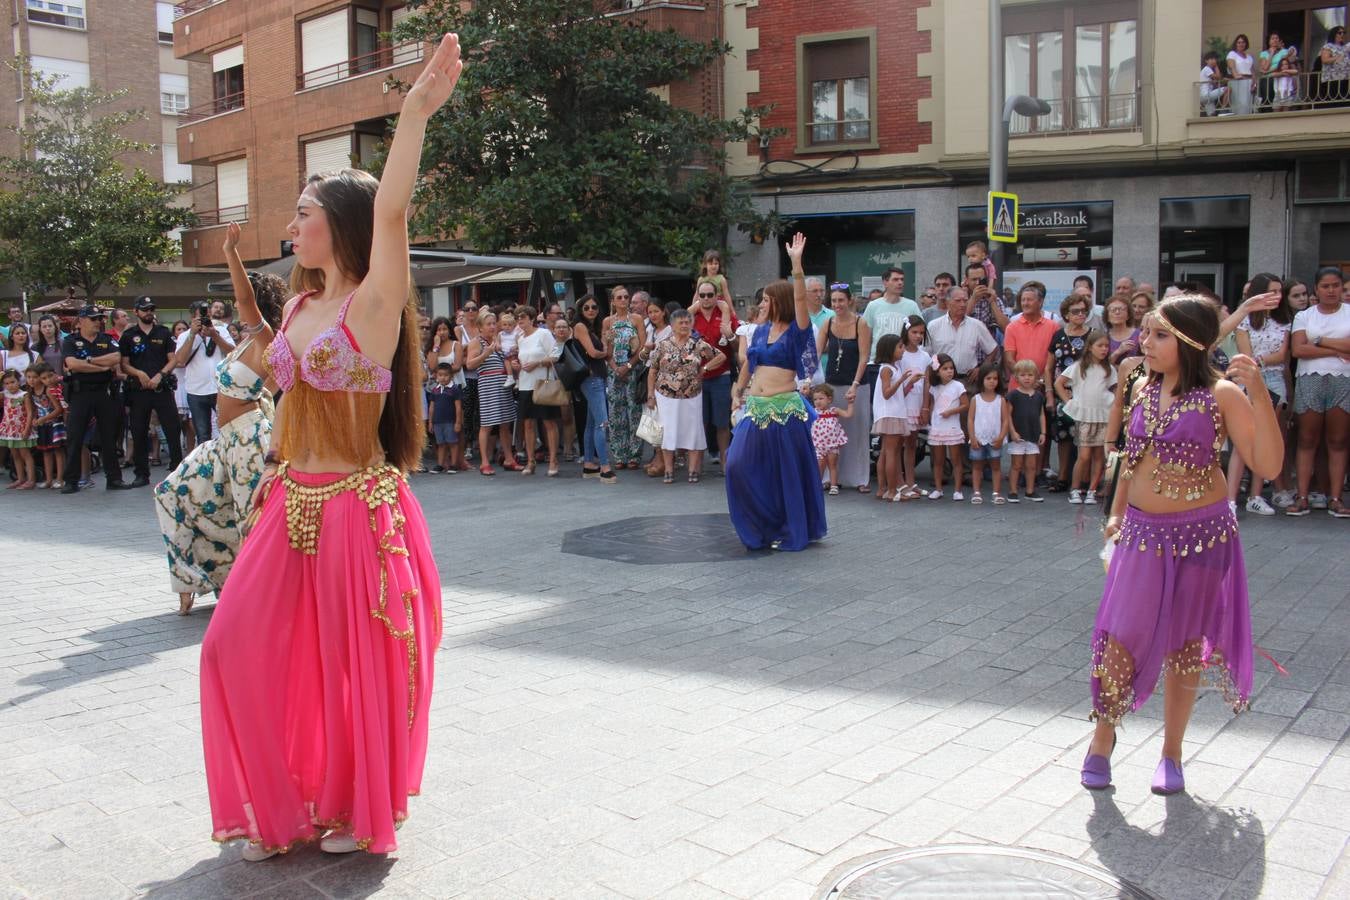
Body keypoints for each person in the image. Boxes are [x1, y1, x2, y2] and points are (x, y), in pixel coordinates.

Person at [198, 35, 459, 860]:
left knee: (355, 672)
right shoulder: (303, 308)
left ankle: (352, 807)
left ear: (337, 222)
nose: (291, 225)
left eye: (302, 214)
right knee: (231, 644)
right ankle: (281, 806)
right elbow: (259, 338)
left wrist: (412, 115)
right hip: (288, 503)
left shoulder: (375, 305)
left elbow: (393, 210)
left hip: (356, 508)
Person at [1083, 295, 1282, 795]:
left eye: (1158, 335)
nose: (1144, 343)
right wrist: (1114, 516)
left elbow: (1270, 466)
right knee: (1122, 635)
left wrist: (1257, 392)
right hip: (1142, 535)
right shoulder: (1141, 387)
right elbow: (1132, 460)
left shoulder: (1221, 394)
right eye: (1146, 333)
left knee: (1186, 649)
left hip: (1202, 537)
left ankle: (1171, 754)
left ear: (1190, 342)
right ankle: (1102, 740)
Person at [155, 223, 283, 616]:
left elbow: (246, 300)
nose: (232, 305)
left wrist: (231, 252)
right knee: (171, 491)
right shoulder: (244, 341)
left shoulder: (268, 340)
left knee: (251, 519)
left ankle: (263, 593)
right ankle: (198, 578)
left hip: (248, 442)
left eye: (239, 301)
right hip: (225, 439)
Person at [726, 233, 826, 551]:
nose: (762, 305)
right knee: (737, 465)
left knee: (785, 476)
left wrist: (796, 264)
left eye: (767, 300)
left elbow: (800, 301)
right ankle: (761, 524)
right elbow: (750, 365)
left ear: (779, 302)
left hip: (785, 412)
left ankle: (785, 527)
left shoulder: (797, 333)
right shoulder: (760, 332)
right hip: (755, 409)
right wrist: (738, 391)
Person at [1287, 267, 1349, 517]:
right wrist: (1336, 350)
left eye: (1336, 286)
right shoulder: (1304, 316)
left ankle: (1335, 498)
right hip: (1310, 379)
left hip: (1343, 380)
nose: (1332, 290)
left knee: (1338, 440)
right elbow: (1298, 350)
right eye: (1326, 286)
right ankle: (1302, 496)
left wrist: (1320, 341)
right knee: (1307, 439)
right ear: (1317, 289)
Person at [1231, 286, 1293, 515]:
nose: (1276, 296)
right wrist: (1260, 361)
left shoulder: (1284, 321)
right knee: (1242, 439)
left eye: (1279, 291)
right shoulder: (1244, 320)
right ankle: (1230, 499)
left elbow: (1282, 355)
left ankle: (1255, 496)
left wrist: (1260, 360)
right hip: (1248, 378)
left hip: (1274, 379)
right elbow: (1245, 355)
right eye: (1271, 291)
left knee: (1265, 437)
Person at [647, 307, 725, 483]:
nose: (684, 325)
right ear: (672, 325)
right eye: (680, 322)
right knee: (668, 431)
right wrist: (650, 395)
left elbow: (720, 357)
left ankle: (693, 471)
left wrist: (704, 369)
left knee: (693, 431)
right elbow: (652, 371)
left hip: (692, 395)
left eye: (687, 322)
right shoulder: (663, 345)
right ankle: (668, 471)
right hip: (665, 395)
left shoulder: (697, 344)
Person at [59, 306, 131, 493]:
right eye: (93, 319)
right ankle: (71, 481)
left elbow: (115, 358)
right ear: (81, 320)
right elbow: (72, 364)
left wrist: (88, 362)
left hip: (104, 392)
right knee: (75, 437)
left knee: (109, 436)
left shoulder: (106, 339)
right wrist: (100, 366)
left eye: (99, 318)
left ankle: (114, 479)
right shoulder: (71, 341)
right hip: (80, 393)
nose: (97, 322)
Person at [119, 297, 183, 488]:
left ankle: (177, 471)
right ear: (136, 311)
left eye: (151, 309)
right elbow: (124, 364)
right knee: (138, 431)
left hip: (161, 389)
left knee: (172, 429)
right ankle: (141, 474)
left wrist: (159, 375)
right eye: (144, 309)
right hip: (139, 390)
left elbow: (173, 359)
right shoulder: (129, 335)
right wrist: (139, 374)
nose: (149, 312)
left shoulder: (163, 332)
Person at [816, 286, 872, 492]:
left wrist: (855, 384)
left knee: (857, 430)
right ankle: (831, 477)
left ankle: (860, 478)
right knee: (830, 433)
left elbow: (864, 356)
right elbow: (817, 352)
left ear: (849, 301)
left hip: (856, 383)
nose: (837, 305)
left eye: (841, 300)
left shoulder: (861, 323)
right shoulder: (827, 322)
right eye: (834, 301)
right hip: (832, 383)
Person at [1056, 331, 1115, 504]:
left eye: (1106, 346)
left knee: (1099, 456)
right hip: (1085, 415)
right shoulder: (1078, 367)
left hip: (1103, 414)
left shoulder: (1109, 368)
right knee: (1084, 455)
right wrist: (1069, 402)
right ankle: (1075, 489)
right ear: (1089, 347)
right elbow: (1059, 383)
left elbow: (1115, 388)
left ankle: (1092, 489)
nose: (1104, 349)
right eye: (1100, 346)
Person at [690, 279, 739, 465]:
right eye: (702, 295)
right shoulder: (692, 315)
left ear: (716, 295)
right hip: (697, 376)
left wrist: (730, 335)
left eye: (710, 295)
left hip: (721, 375)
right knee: (700, 422)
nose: (706, 299)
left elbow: (736, 347)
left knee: (721, 422)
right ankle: (696, 466)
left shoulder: (725, 314)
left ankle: (726, 465)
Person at [1046, 294, 1090, 492]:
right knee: (1063, 436)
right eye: (1076, 311)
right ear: (1066, 314)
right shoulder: (1058, 335)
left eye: (1084, 311)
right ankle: (1063, 476)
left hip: (1086, 393)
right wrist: (1049, 394)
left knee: (1085, 436)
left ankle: (1083, 480)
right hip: (1061, 391)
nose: (1080, 314)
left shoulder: (1093, 335)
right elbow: (1048, 368)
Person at [173, 299, 235, 442]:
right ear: (192, 318)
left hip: (220, 389)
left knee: (227, 431)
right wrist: (193, 335)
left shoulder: (220, 331)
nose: (204, 320)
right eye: (200, 317)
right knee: (203, 434)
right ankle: (207, 463)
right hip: (196, 391)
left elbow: (233, 352)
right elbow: (180, 360)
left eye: (207, 316)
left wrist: (214, 335)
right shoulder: (185, 335)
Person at [467, 309, 519, 475]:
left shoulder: (499, 339)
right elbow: (470, 365)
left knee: (505, 423)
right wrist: (486, 353)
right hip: (488, 384)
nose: (492, 327)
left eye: (493, 323)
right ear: (480, 327)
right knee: (487, 424)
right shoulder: (477, 342)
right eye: (488, 324)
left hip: (502, 383)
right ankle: (484, 462)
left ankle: (509, 458)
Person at [573, 293, 617, 483]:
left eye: (594, 307)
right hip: (592, 379)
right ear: (580, 310)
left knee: (592, 423)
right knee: (602, 423)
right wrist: (606, 345)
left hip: (596, 377)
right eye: (587, 307)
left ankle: (589, 463)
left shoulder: (591, 327)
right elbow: (594, 352)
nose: (591, 310)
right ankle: (605, 466)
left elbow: (606, 354)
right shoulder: (581, 326)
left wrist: (607, 343)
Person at [515, 304, 561, 476]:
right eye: (518, 317)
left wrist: (538, 363)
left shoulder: (543, 333)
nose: (520, 320)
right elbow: (523, 360)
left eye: (523, 317)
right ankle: (530, 460)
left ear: (532, 318)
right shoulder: (519, 338)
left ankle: (554, 460)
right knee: (527, 424)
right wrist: (518, 365)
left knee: (548, 422)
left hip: (543, 382)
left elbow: (555, 355)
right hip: (525, 384)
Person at [603, 286, 644, 469]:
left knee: (634, 412)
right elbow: (606, 349)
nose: (623, 300)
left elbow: (642, 347)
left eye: (626, 297)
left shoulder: (636, 319)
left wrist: (628, 366)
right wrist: (615, 368)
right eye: (619, 297)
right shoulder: (607, 321)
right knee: (616, 413)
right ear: (613, 301)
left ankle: (635, 454)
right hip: (614, 372)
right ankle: (620, 454)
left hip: (632, 369)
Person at [871, 333, 911, 502]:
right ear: (890, 349)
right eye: (900, 347)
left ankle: (882, 489)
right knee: (891, 453)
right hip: (891, 414)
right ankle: (892, 490)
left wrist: (908, 384)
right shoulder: (887, 369)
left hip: (891, 412)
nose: (903, 350)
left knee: (885, 453)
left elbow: (896, 394)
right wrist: (901, 379)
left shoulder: (892, 368)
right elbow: (887, 393)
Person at [927, 286, 998, 380]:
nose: (963, 304)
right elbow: (925, 353)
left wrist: (981, 370)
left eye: (965, 301)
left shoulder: (976, 325)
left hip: (968, 380)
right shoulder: (933, 326)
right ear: (948, 303)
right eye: (958, 301)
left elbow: (993, 348)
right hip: (941, 380)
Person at [896, 317, 932, 501]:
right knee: (898, 444)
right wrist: (909, 383)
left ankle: (911, 481)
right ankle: (900, 482)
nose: (918, 336)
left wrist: (925, 407)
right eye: (914, 332)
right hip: (902, 402)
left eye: (921, 333)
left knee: (912, 444)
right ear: (906, 332)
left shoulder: (925, 356)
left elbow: (926, 384)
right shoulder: (900, 353)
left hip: (916, 403)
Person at [924, 354, 968, 500]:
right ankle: (938, 488)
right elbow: (931, 405)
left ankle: (957, 490)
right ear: (937, 371)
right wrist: (928, 419)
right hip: (937, 427)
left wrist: (952, 411)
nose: (949, 371)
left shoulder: (958, 386)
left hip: (952, 427)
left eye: (951, 368)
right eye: (945, 368)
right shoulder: (934, 388)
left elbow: (965, 404)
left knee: (956, 459)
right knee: (938, 460)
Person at [967, 361, 1009, 505]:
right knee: (977, 466)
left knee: (996, 466)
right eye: (988, 378)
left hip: (995, 439)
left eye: (995, 379)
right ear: (982, 380)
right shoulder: (975, 399)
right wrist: (972, 437)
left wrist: (1001, 436)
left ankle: (996, 492)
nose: (992, 382)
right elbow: (970, 420)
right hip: (978, 438)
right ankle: (976, 491)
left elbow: (1005, 420)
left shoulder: (1001, 400)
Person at [1006, 358, 1047, 502]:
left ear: (1035, 377)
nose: (1027, 378)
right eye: (1023, 375)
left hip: (1033, 434)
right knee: (1016, 465)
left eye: (1030, 375)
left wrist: (1043, 432)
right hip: (1018, 435)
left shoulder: (1039, 396)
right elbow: (1007, 415)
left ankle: (1030, 491)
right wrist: (1012, 432)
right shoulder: (1013, 395)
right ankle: (1013, 491)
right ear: (1016, 377)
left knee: (1031, 465)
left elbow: (1041, 414)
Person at [862, 266, 922, 362]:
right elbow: (865, 338)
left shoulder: (912, 306)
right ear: (885, 283)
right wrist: (865, 361)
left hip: (904, 361)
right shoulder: (873, 306)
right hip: (877, 361)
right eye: (895, 279)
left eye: (902, 279)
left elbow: (920, 333)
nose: (900, 283)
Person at [810, 385, 854, 495]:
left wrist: (850, 403)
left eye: (821, 398)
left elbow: (848, 415)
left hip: (832, 444)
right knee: (819, 466)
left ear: (829, 399)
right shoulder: (813, 412)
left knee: (832, 465)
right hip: (818, 445)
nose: (818, 401)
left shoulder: (834, 411)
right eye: (815, 399)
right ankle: (817, 485)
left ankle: (834, 485)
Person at [0, 369, 36, 489]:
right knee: (14, 454)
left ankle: (31, 480)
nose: (10, 385)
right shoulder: (5, 394)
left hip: (21, 428)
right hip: (9, 430)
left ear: (19, 382)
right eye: (7, 383)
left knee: (25, 454)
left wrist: (27, 429)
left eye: (13, 382)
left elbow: (30, 413)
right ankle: (20, 478)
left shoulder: (24, 395)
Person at [425, 363, 463, 473]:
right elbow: (431, 407)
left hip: (450, 421)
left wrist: (458, 422)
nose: (443, 377)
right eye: (440, 375)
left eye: (446, 375)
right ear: (436, 376)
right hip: (437, 422)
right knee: (440, 444)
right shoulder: (435, 390)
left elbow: (458, 407)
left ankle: (453, 464)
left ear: (451, 376)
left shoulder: (454, 389)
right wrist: (431, 422)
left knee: (452, 443)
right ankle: (440, 465)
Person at [1104, 294, 1140, 365]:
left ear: (1128, 315)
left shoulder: (1139, 334)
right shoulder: (1103, 337)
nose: (1117, 312)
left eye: (1121, 309)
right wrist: (1118, 352)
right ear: (1107, 316)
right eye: (1113, 310)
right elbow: (1102, 366)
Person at [1318, 25, 1348, 103]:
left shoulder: (1344, 47)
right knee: (1334, 102)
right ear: (1334, 34)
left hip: (1345, 78)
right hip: (1332, 80)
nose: (1342, 35)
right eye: (1339, 33)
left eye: (1343, 33)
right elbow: (1324, 60)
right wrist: (1337, 57)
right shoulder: (1328, 46)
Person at [1227, 34, 1255, 114]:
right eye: (1239, 42)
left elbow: (1252, 71)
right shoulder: (1232, 54)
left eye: (1243, 42)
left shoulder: (1249, 56)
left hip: (1249, 82)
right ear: (1236, 44)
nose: (1241, 44)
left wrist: (1254, 83)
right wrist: (1235, 75)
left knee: (1248, 105)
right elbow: (1231, 66)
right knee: (1240, 104)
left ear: (1246, 44)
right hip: (1238, 81)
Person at [1199, 50, 1229, 116]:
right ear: (1206, 61)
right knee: (1228, 89)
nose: (1213, 61)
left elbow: (1216, 83)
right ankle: (1223, 109)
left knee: (1212, 115)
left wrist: (1223, 81)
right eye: (1211, 59)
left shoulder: (1207, 71)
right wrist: (1216, 67)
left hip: (1206, 97)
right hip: (1206, 95)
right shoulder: (1207, 69)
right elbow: (1218, 77)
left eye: (1215, 59)